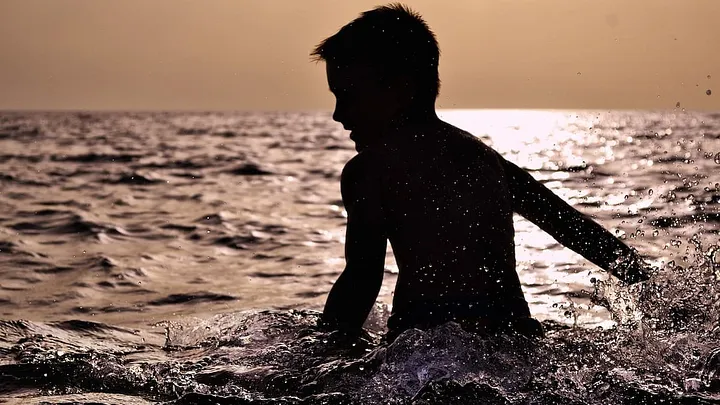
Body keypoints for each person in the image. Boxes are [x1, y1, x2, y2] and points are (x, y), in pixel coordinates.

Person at [310, 4, 651, 342]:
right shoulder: (484, 159)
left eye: (348, 96)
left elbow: (361, 279)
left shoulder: (369, 171)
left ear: (400, 89)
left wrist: (321, 354)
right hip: (516, 340)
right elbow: (567, 224)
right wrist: (644, 282)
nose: (338, 115)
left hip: (426, 345)